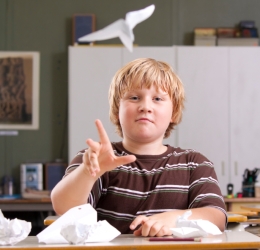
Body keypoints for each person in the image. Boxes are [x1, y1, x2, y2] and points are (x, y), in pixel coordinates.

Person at [51, 58, 227, 237]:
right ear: (116, 110)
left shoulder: (195, 164)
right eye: (134, 98)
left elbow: (217, 217)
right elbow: (64, 208)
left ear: (173, 112)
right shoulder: (93, 159)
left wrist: (172, 218)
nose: (145, 107)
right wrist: (89, 173)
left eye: (158, 99)